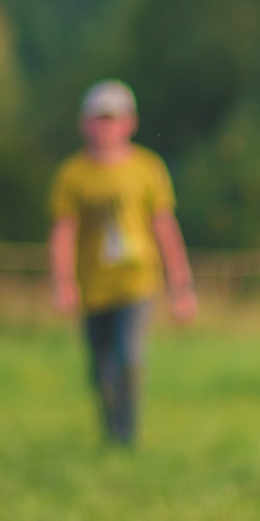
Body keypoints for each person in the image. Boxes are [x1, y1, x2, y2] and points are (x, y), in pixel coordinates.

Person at [48, 80, 197, 447]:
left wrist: (181, 283)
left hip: (137, 281)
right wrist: (63, 281)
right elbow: (64, 231)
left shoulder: (147, 168)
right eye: (97, 119)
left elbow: (164, 226)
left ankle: (126, 434)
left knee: (128, 355)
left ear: (129, 123)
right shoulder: (73, 174)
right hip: (94, 283)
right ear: (84, 124)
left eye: (111, 119)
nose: (104, 127)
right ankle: (111, 428)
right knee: (100, 366)